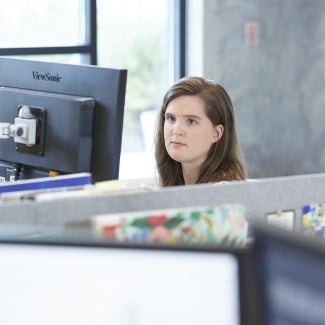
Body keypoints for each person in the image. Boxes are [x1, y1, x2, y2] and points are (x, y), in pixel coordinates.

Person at [154, 76, 247, 186]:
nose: (176, 130)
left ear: (217, 133)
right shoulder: (176, 181)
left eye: (191, 121)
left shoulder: (225, 191)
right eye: (171, 118)